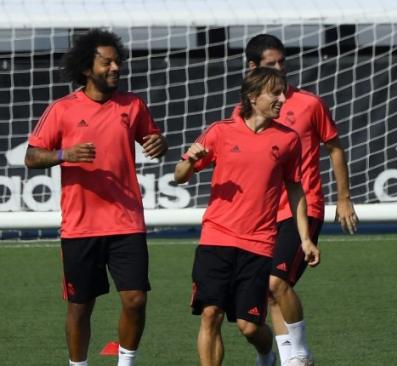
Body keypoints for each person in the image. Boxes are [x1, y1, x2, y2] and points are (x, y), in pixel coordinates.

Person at [24, 29, 168, 366]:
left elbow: (156, 141)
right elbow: (31, 157)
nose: (116, 67)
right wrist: (65, 153)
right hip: (81, 226)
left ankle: (126, 362)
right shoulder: (62, 109)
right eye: (107, 62)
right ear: (87, 68)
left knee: (135, 299)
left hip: (126, 221)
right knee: (80, 305)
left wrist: (160, 144)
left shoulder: (133, 105)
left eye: (118, 61)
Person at [174, 67, 320, 366]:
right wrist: (190, 161)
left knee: (249, 326)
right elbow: (179, 176)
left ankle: (266, 355)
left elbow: (295, 191)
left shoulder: (289, 140)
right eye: (275, 93)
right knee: (210, 314)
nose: (282, 99)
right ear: (253, 97)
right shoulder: (220, 131)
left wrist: (305, 239)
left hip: (258, 243)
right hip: (216, 237)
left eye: (283, 92)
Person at [241, 34, 358, 366]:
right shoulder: (247, 111)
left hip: (303, 208)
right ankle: (286, 358)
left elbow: (334, 147)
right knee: (267, 294)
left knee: (276, 281)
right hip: (263, 215)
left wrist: (344, 198)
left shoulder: (309, 104)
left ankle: (300, 353)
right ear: (252, 68)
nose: (280, 68)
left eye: (282, 61)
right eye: (270, 64)